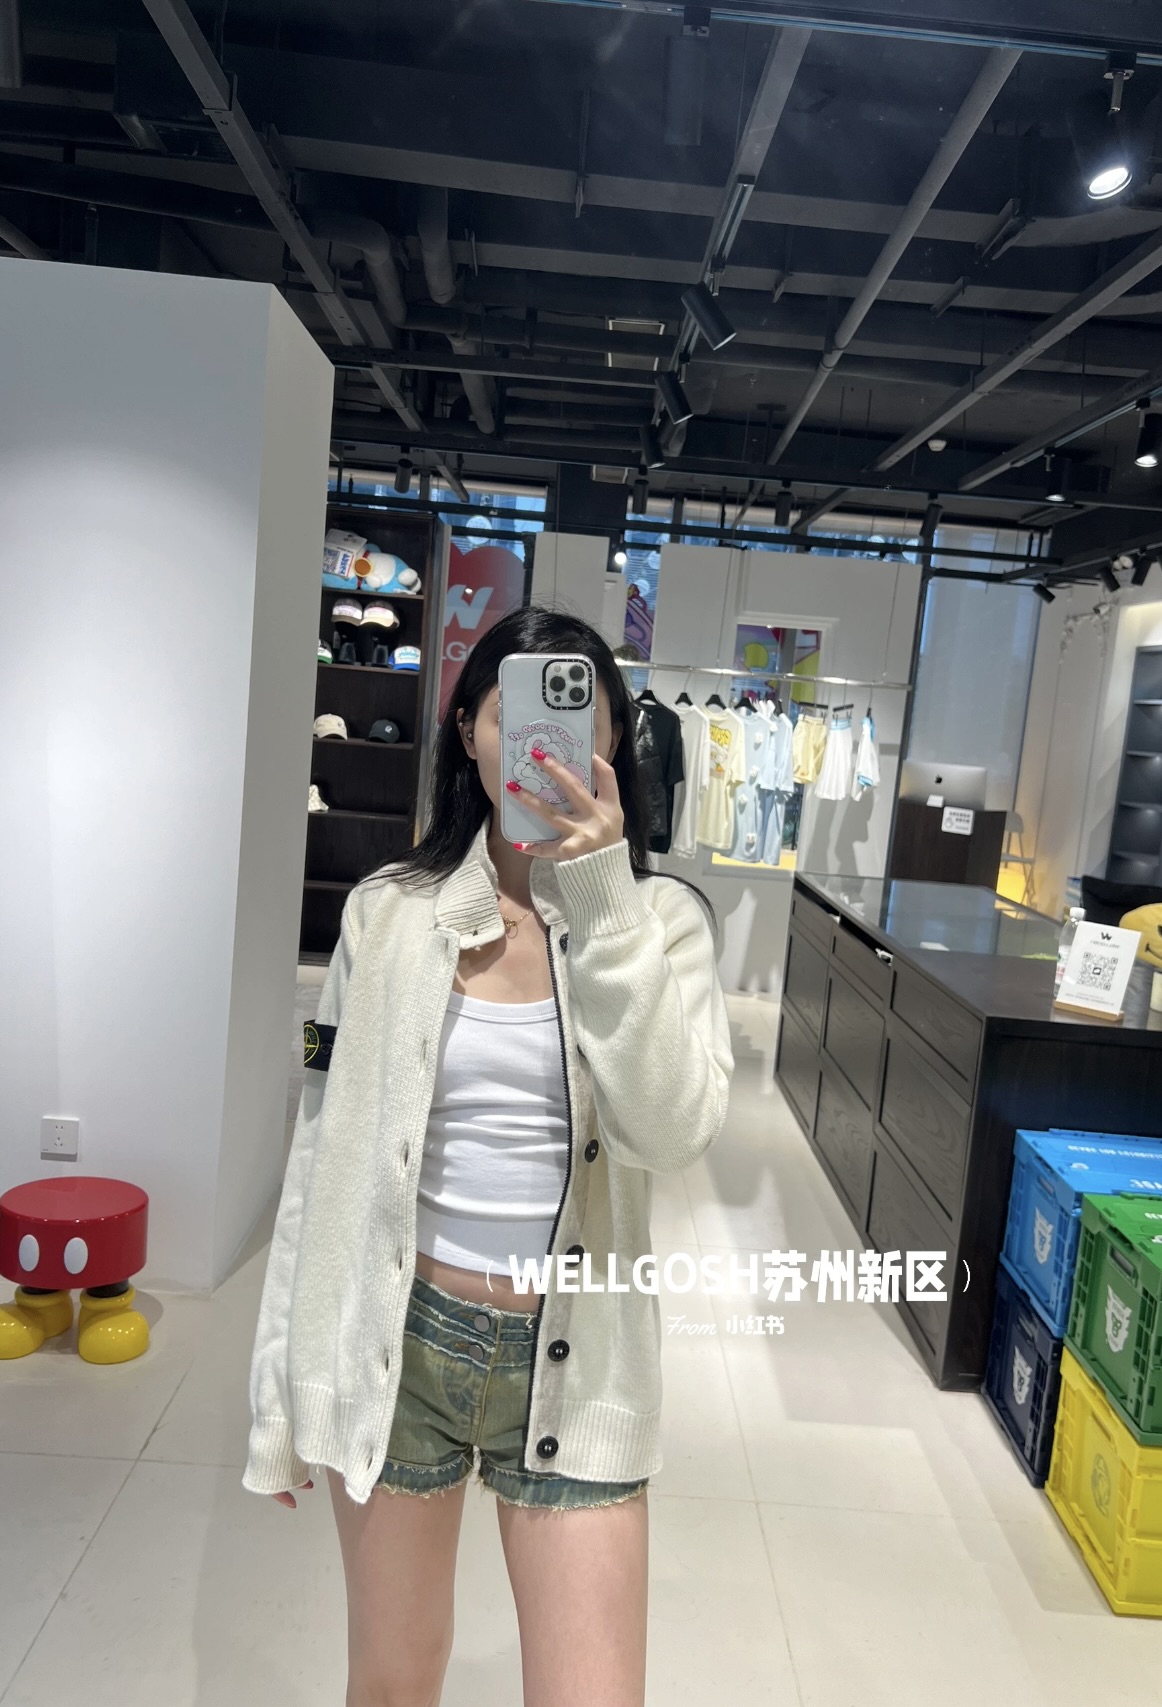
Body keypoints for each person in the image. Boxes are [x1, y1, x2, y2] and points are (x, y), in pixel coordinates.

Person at [242, 604, 734, 1707]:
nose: (543, 741)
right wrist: (280, 1385)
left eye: (574, 713)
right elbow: (321, 1158)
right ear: (469, 732)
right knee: (391, 1683)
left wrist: (602, 902)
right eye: (514, 712)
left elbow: (673, 1130)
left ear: (612, 741)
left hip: (580, 1356)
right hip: (402, 1343)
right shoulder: (385, 915)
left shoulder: (663, 923)